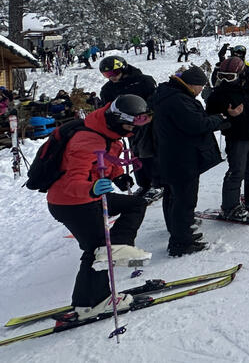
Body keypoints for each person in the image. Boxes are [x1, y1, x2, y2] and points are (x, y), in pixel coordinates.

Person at [47, 96, 152, 318]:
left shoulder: (107, 133)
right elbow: (73, 181)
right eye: (130, 125)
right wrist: (92, 188)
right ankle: (91, 302)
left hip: (89, 197)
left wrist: (118, 176)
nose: (133, 129)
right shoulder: (87, 141)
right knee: (95, 249)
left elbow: (104, 163)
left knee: (136, 204)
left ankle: (116, 248)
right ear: (117, 120)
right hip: (71, 202)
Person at [152, 66, 228, 256]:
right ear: (192, 84)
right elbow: (196, 125)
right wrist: (218, 118)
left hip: (174, 155)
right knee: (184, 201)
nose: (201, 91)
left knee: (176, 198)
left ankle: (181, 233)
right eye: (201, 86)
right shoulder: (178, 100)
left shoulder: (171, 95)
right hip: (182, 158)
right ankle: (181, 243)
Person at [205, 57, 249, 220]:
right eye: (222, 76)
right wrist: (228, 115)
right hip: (236, 137)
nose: (225, 80)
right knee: (236, 171)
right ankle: (230, 207)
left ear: (240, 74)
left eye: (230, 77)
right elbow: (210, 117)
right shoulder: (218, 94)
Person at [98, 55, 159, 201]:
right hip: (127, 126)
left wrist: (148, 115)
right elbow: (107, 108)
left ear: (123, 69)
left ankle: (156, 183)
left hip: (146, 122)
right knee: (134, 154)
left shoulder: (143, 81)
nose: (111, 77)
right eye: (107, 74)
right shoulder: (107, 89)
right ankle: (144, 184)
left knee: (148, 152)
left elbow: (154, 100)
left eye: (114, 72)